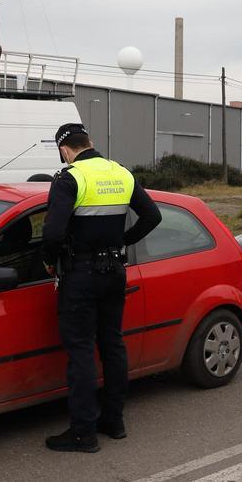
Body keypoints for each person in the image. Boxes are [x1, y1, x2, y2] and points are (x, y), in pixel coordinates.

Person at [41, 123, 162, 453]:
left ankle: (83, 433)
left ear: (65, 150)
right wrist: (123, 242)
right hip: (114, 272)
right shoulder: (121, 173)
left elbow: (51, 234)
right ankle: (115, 421)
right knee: (112, 344)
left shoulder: (70, 178)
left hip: (80, 275)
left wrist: (49, 261)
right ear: (90, 142)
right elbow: (152, 216)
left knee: (80, 351)